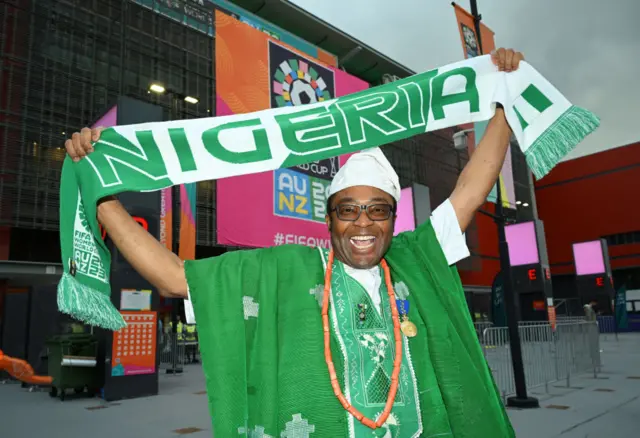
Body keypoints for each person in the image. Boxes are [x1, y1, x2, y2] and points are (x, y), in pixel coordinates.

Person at [66, 49, 523, 437]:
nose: (363, 222)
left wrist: (502, 101)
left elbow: (471, 188)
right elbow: (173, 278)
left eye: (378, 209)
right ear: (329, 219)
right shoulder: (286, 269)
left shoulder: (416, 258)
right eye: (348, 209)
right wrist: (101, 196)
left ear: (393, 218)